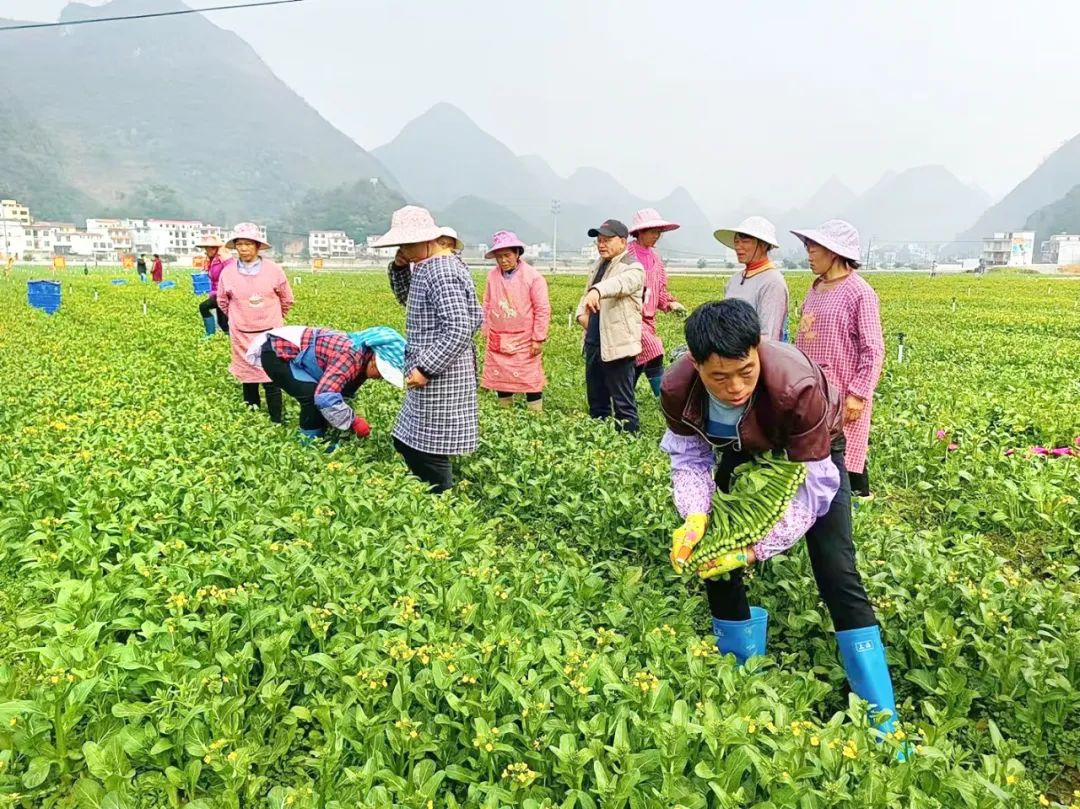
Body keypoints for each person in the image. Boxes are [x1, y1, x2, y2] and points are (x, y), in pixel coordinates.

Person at [659, 298, 901, 741]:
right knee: (715, 554)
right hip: (742, 450)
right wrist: (696, 518)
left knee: (836, 569)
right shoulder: (677, 390)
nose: (734, 387)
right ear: (695, 364)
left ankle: (881, 716)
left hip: (814, 455)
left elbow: (813, 486)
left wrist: (758, 548)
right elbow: (690, 459)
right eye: (719, 377)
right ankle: (740, 676)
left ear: (758, 349)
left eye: (745, 371)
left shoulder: (797, 386)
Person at [379, 206, 483, 492]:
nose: (403, 250)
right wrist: (399, 267)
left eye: (406, 245)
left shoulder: (441, 271)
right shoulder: (429, 266)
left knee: (427, 447)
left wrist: (426, 369)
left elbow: (460, 327)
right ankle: (435, 498)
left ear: (426, 239)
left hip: (440, 372)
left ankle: (443, 502)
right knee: (408, 439)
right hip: (434, 368)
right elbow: (410, 300)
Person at [792, 220, 885, 500]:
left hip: (842, 388)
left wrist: (858, 394)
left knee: (843, 450)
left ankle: (853, 499)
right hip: (812, 387)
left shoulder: (860, 293)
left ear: (833, 251)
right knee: (815, 447)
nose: (808, 254)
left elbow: (873, 349)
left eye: (813, 248)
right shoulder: (815, 288)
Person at [245, 325, 406, 443]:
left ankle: (323, 436)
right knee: (311, 395)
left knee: (327, 397)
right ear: (374, 360)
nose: (381, 378)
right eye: (382, 373)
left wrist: (344, 421)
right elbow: (325, 397)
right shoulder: (351, 355)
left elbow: (344, 393)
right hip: (277, 353)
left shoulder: (363, 363)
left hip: (296, 354)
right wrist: (353, 422)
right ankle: (309, 446)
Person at [216, 223, 294, 423]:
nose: (243, 248)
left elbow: (287, 299)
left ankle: (276, 419)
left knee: (272, 376)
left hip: (270, 331)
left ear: (257, 247)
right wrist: (239, 317)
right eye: (240, 244)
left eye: (248, 244)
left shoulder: (274, 270)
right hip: (242, 332)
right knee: (248, 375)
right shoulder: (229, 273)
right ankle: (252, 420)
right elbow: (223, 302)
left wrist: (273, 318)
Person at [575, 219, 645, 432]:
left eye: (607, 239)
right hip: (595, 344)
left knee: (623, 404)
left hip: (618, 347)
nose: (601, 244)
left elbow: (619, 284)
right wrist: (580, 314)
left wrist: (598, 291)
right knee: (597, 402)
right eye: (599, 240)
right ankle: (601, 445)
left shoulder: (633, 267)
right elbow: (587, 292)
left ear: (623, 242)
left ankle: (629, 445)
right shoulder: (599, 264)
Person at [480, 230, 551, 412]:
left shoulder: (533, 277)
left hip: (525, 339)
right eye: (499, 257)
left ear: (517, 253)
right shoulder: (492, 276)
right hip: (498, 337)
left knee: (530, 379)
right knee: (501, 376)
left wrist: (538, 338)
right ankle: (506, 416)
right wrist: (485, 327)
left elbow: (542, 309)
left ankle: (535, 416)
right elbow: (487, 303)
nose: (503, 260)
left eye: (507, 255)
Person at [627, 208, 687, 397]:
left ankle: (624, 398)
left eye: (659, 233)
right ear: (640, 232)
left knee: (638, 359)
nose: (657, 236)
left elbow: (659, 290)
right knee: (655, 350)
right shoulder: (627, 255)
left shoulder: (656, 259)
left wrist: (670, 303)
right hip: (630, 317)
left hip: (648, 320)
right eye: (653, 232)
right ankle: (664, 400)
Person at [714, 216, 789, 341]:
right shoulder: (734, 280)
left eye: (745, 241)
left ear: (764, 245)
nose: (738, 246)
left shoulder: (772, 282)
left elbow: (769, 337)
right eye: (736, 241)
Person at [196, 234, 233, 338]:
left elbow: (232, 273)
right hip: (216, 293)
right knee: (223, 321)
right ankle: (228, 339)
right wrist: (212, 293)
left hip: (225, 293)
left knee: (203, 306)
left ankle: (210, 334)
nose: (206, 250)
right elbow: (213, 280)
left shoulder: (225, 259)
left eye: (208, 248)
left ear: (215, 248)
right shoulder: (212, 260)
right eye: (206, 248)